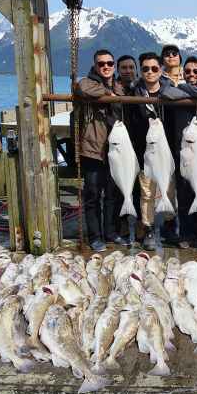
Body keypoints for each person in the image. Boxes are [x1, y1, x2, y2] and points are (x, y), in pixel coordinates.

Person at [72, 49, 126, 252]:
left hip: (116, 149)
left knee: (112, 194)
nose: (106, 67)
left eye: (109, 63)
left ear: (114, 65)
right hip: (93, 149)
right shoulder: (88, 82)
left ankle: (111, 233)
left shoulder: (120, 86)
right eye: (101, 64)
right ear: (95, 66)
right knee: (93, 194)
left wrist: (113, 92)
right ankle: (95, 237)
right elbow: (82, 89)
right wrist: (107, 93)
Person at [159, 56, 197, 253]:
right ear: (183, 73)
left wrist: (183, 91)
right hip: (182, 150)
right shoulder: (177, 89)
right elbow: (165, 91)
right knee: (184, 195)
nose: (192, 74)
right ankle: (186, 233)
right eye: (188, 71)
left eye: (196, 71)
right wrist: (194, 94)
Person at [128, 52, 180, 251]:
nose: (150, 72)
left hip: (167, 154)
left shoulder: (171, 92)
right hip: (145, 153)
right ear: (141, 71)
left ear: (161, 70)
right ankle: (148, 228)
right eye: (145, 69)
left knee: (169, 190)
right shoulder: (134, 93)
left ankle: (169, 227)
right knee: (147, 193)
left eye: (154, 68)